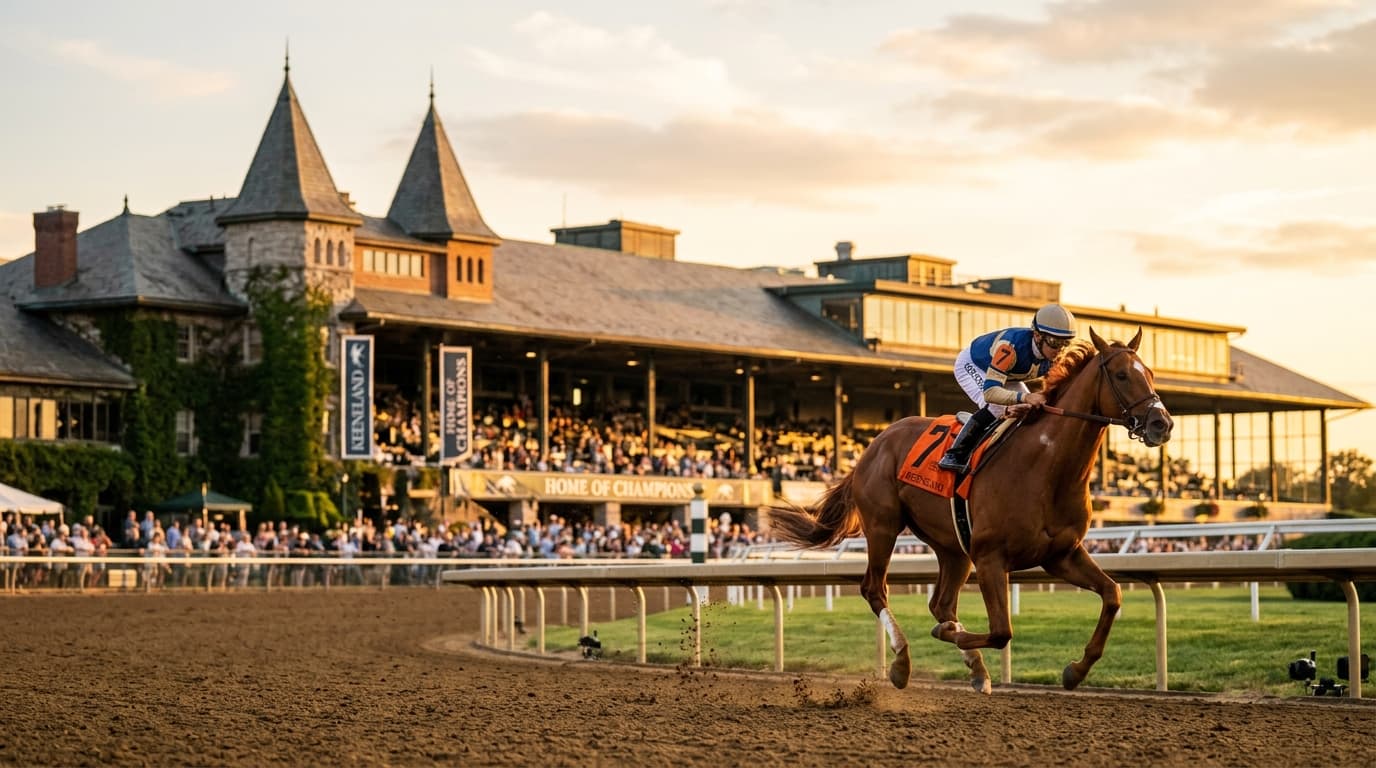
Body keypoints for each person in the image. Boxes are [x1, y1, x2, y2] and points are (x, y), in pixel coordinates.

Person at [937, 303, 1078, 474]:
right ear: (1037, 336)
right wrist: (1025, 397)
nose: (1060, 350)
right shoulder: (1010, 348)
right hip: (974, 365)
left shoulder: (1056, 355)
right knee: (997, 407)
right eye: (1055, 342)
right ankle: (955, 454)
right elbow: (990, 393)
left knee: (1029, 411)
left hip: (1007, 375)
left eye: (1066, 343)